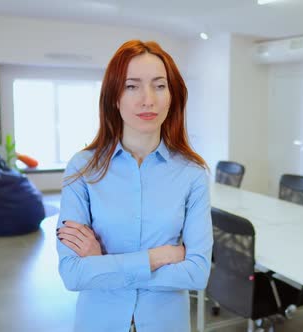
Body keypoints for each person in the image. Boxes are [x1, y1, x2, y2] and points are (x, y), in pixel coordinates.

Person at [56, 40, 213, 332]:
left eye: (159, 85)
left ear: (172, 97)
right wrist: (159, 257)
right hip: (98, 322)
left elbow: (197, 273)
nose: (147, 99)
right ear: (114, 97)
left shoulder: (192, 174)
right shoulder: (82, 169)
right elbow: (73, 274)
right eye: (132, 86)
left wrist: (102, 263)